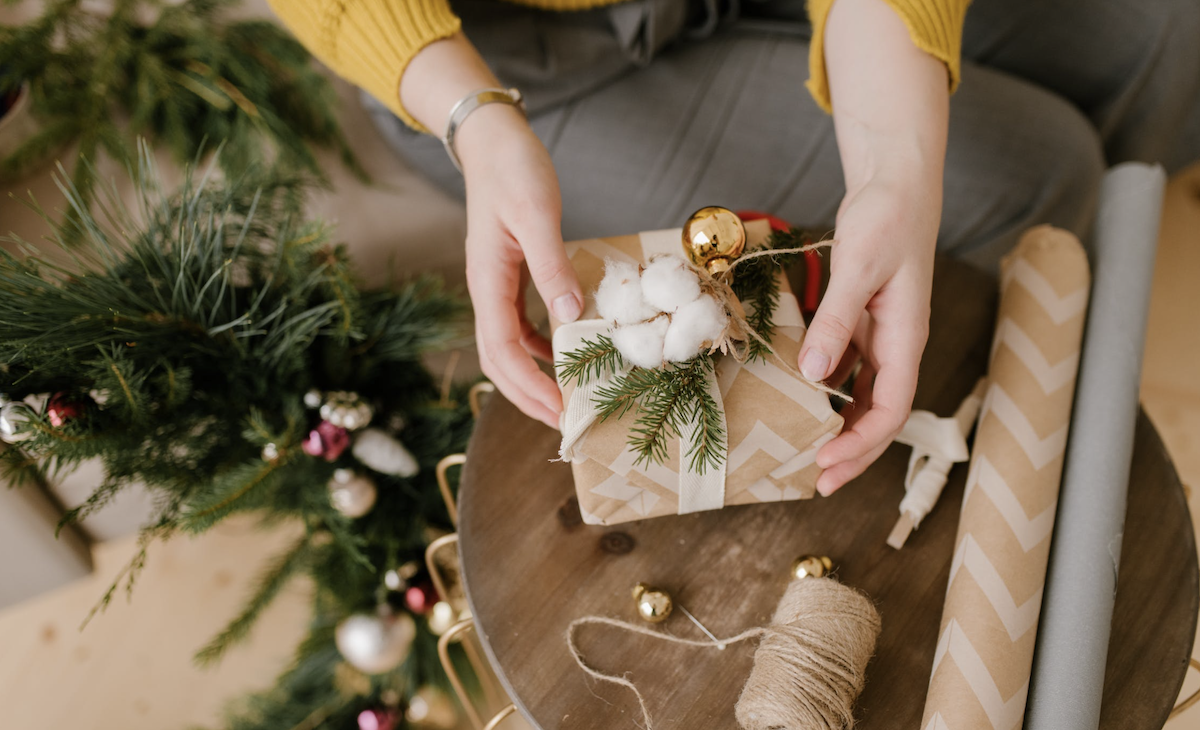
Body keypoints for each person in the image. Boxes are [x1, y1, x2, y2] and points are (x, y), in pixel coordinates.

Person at [267, 0, 1200, 496]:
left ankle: (1060, 312)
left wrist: (898, 159)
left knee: (1165, 31)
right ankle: (962, 418)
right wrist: (474, 120)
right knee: (1044, 170)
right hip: (497, 49)